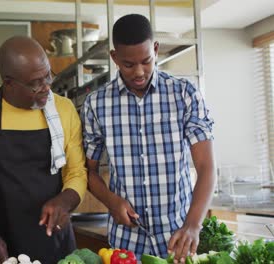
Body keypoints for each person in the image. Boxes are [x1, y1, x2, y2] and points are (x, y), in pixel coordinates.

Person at [81, 14, 216, 263]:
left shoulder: (185, 94)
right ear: (114, 58)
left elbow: (206, 167)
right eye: (128, 65)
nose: (139, 72)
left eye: (146, 61)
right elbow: (88, 172)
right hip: (125, 245)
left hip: (178, 240)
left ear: (156, 49)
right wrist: (111, 201)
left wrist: (193, 225)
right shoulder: (96, 104)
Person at [0, 36, 87, 263]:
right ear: (9, 83)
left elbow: (77, 172)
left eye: (48, 76)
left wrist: (66, 200)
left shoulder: (64, 109)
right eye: (36, 83)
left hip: (54, 240)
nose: (47, 88)